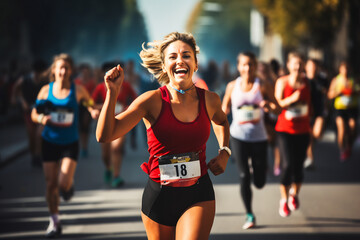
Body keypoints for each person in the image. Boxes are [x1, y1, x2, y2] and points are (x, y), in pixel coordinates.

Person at [96, 32, 230, 239]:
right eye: (172, 57)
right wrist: (112, 93)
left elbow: (221, 121)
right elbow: (105, 135)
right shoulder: (151, 101)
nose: (180, 61)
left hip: (198, 194)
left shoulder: (210, 100)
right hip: (159, 198)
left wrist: (224, 151)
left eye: (186, 55)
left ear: (195, 63)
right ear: (164, 65)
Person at [31, 53, 99, 238]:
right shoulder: (46, 91)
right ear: (54, 70)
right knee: (51, 183)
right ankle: (54, 221)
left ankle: (68, 186)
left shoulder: (77, 90)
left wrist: (92, 110)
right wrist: (41, 118)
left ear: (70, 71)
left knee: (62, 184)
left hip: (70, 142)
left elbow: (89, 102)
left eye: (66, 68)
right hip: (49, 141)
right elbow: (34, 113)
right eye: (60, 68)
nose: (63, 71)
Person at [222, 52, 280, 229]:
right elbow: (224, 109)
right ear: (239, 67)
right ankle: (249, 214)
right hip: (238, 136)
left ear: (255, 66)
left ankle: (259, 172)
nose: (248, 68)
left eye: (251, 65)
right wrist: (220, 114)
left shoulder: (262, 85)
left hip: (259, 138)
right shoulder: (232, 86)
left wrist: (268, 106)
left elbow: (277, 108)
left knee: (260, 182)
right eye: (244, 65)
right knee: (243, 175)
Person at [274, 52, 311, 217]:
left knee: (299, 166)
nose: (298, 67)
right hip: (284, 130)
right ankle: (283, 200)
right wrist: (291, 99)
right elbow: (278, 103)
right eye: (295, 64)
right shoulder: (282, 82)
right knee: (288, 165)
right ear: (288, 65)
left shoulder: (308, 84)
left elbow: (315, 104)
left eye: (300, 64)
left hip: (303, 130)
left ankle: (294, 194)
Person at [92, 61, 137, 187]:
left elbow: (136, 100)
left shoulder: (126, 86)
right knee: (105, 154)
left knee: (116, 148)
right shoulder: (100, 87)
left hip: (120, 120)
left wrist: (126, 108)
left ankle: (116, 175)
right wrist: (98, 108)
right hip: (105, 121)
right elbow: (91, 103)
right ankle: (108, 168)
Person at [11, 59, 48, 166]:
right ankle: (34, 155)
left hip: (41, 111)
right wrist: (21, 101)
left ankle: (38, 155)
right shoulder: (25, 79)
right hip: (29, 111)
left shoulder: (45, 81)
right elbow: (16, 89)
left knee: (39, 134)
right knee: (31, 135)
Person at [327, 61, 359, 161]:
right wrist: (339, 92)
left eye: (347, 69)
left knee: (352, 126)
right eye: (343, 69)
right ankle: (342, 149)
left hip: (351, 108)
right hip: (340, 108)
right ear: (340, 70)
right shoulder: (336, 80)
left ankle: (349, 144)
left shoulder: (353, 80)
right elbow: (330, 95)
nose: (345, 71)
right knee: (341, 128)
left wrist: (353, 91)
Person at [257, 61, 282, 176]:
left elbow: (278, 97)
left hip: (272, 112)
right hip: (261, 114)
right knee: (264, 141)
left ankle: (277, 165)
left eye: (264, 69)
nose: (262, 71)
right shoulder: (256, 82)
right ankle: (265, 164)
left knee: (274, 141)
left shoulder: (274, 80)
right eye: (260, 69)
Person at [304, 58, 328, 168]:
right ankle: (310, 158)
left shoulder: (322, 80)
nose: (313, 68)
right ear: (306, 67)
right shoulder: (303, 80)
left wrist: (327, 106)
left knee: (317, 134)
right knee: (309, 137)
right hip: (306, 112)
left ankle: (309, 153)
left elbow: (328, 94)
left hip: (319, 111)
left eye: (315, 66)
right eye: (310, 66)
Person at [74, 63, 97, 158]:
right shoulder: (76, 82)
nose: (85, 73)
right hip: (78, 106)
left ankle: (85, 147)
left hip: (88, 105)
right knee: (80, 127)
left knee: (86, 127)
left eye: (87, 71)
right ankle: (81, 146)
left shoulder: (92, 83)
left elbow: (94, 95)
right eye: (83, 71)